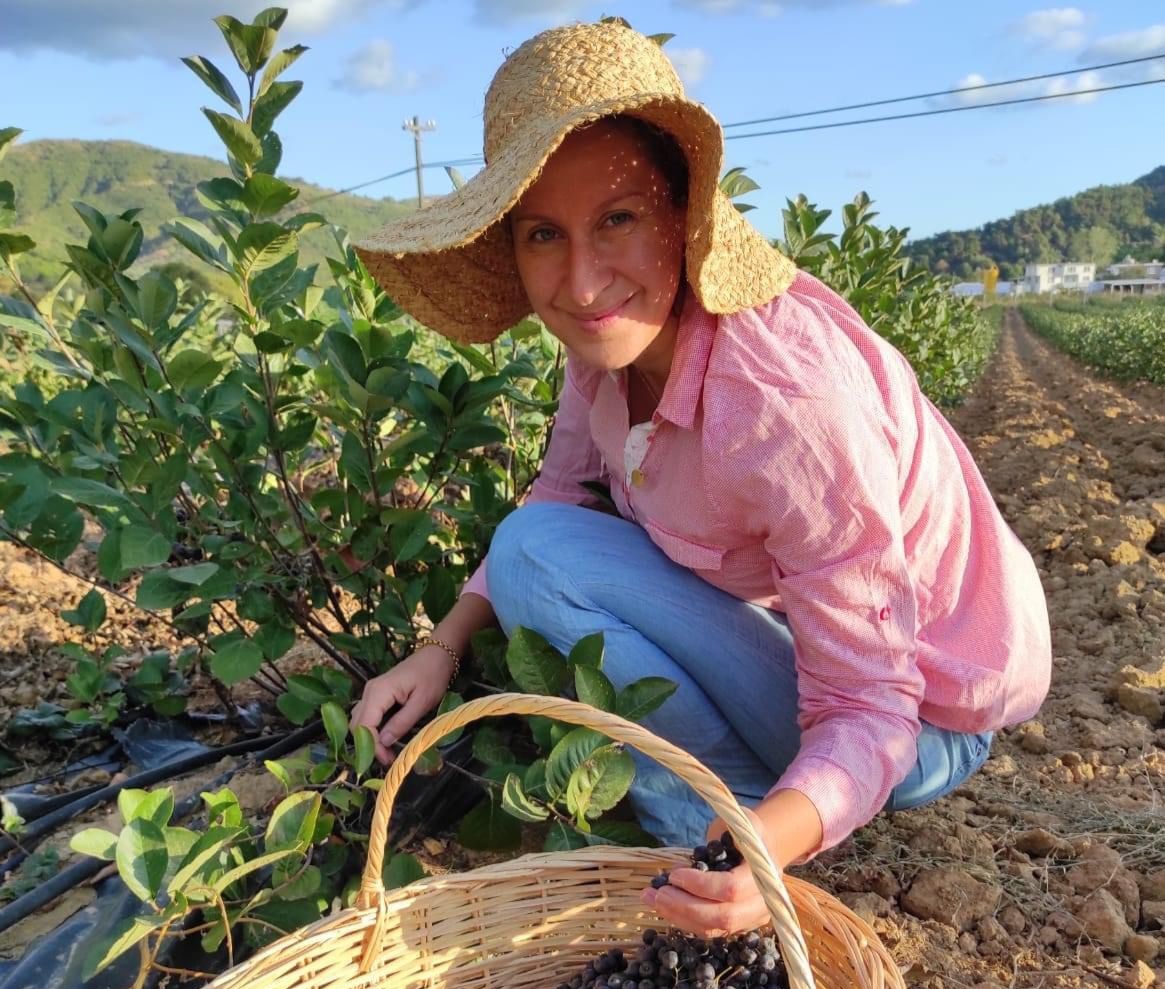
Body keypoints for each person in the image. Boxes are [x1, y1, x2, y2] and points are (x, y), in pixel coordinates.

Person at [349, 21, 1052, 935]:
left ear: (684, 218)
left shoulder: (785, 407)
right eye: (541, 235)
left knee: (545, 563)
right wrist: (439, 650)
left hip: (927, 718)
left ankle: (723, 839)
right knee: (535, 547)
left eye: (618, 219)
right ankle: (733, 815)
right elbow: (559, 498)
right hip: (834, 661)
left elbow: (872, 705)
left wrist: (768, 847)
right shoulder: (606, 351)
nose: (581, 280)